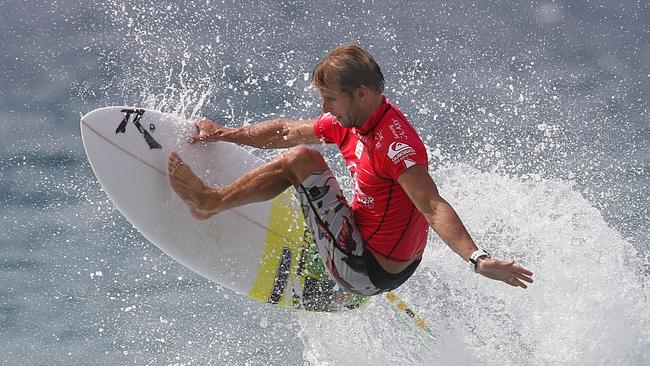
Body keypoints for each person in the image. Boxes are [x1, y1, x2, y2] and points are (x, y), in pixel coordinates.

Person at [167, 44, 533, 296]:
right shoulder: (352, 121)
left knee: (301, 161)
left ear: (360, 93)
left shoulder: (394, 145)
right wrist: (227, 134)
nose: (325, 107)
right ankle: (331, 256)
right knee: (302, 152)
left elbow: (432, 206)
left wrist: (477, 259)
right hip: (386, 255)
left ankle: (208, 202)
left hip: (368, 270)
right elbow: (286, 130)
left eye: (329, 98)